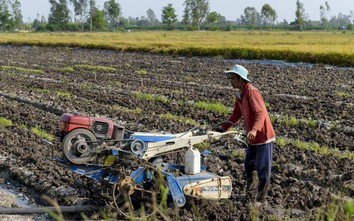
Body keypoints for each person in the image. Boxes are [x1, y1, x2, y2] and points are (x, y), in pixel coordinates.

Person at [216, 64, 275, 206]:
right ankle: (250, 196)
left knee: (262, 168)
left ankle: (260, 199)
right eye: (229, 78)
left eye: (233, 78)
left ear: (242, 79)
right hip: (252, 138)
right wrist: (222, 127)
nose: (230, 81)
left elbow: (261, 113)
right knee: (249, 166)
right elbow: (236, 115)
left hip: (263, 137)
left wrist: (254, 130)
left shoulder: (252, 92)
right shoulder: (240, 94)